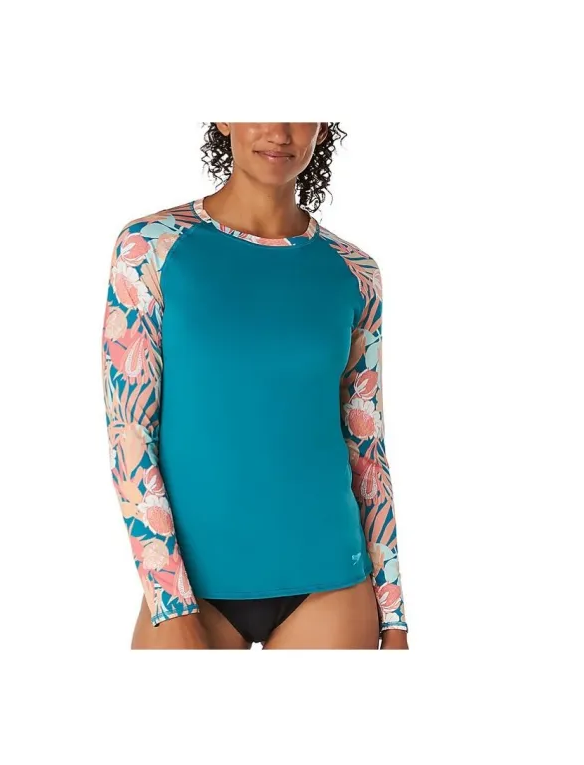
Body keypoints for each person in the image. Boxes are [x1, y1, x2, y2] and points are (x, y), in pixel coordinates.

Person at [101, 122, 409, 649]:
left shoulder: (355, 271)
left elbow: (366, 446)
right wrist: (170, 603)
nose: (278, 131)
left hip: (331, 581)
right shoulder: (151, 246)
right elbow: (129, 434)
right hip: (193, 590)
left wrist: (395, 614)